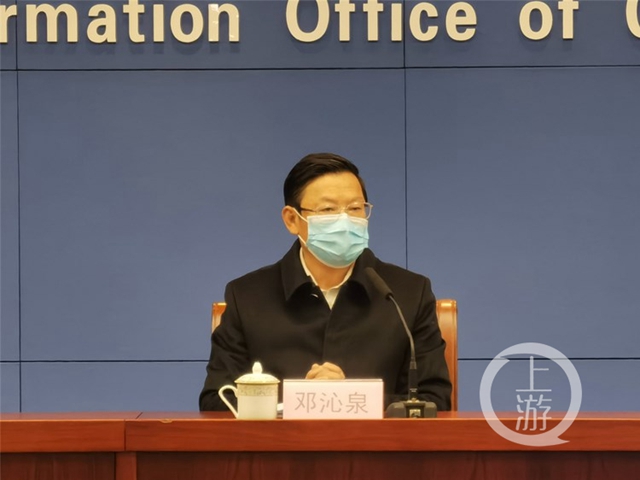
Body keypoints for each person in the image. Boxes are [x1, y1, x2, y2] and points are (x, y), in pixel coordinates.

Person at [199, 153, 451, 411]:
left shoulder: (406, 294)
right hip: (281, 438)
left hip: (372, 439)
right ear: (292, 220)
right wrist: (301, 403)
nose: (345, 220)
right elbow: (216, 401)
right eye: (328, 210)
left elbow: (436, 400)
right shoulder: (248, 296)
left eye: (355, 208)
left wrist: (350, 398)